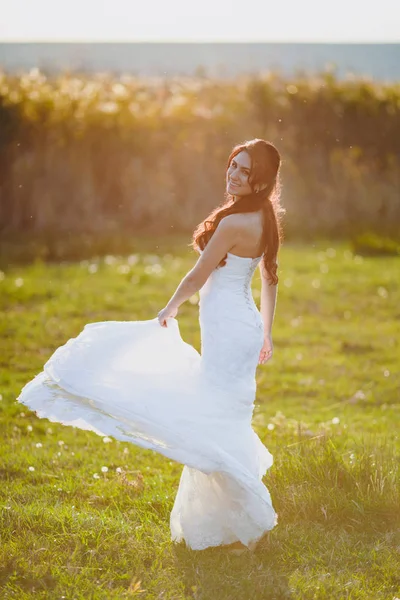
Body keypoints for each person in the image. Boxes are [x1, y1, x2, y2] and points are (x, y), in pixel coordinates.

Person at [17, 138, 284, 553]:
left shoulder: (236, 223)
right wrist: (265, 331)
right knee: (223, 417)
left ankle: (243, 521)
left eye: (244, 170)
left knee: (214, 418)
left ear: (260, 180)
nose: (232, 173)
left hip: (230, 330)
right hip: (243, 328)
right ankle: (235, 524)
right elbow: (268, 278)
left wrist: (170, 307)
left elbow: (198, 275)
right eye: (232, 164)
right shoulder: (265, 218)